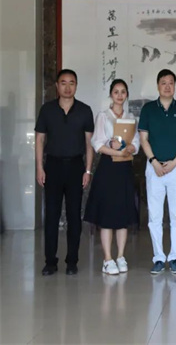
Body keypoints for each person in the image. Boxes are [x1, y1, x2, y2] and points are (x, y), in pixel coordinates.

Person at [35, 69, 94, 276]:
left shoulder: (84, 110)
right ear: (57, 86)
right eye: (63, 83)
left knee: (74, 216)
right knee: (51, 215)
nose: (67, 87)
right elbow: (40, 139)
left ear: (76, 85)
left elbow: (89, 143)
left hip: (76, 166)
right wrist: (39, 167)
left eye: (72, 83)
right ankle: (50, 262)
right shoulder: (47, 110)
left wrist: (88, 170)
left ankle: (72, 261)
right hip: (52, 166)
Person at [84, 79, 140, 275]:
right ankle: (108, 258)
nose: (119, 95)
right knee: (107, 215)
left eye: (123, 92)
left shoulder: (131, 117)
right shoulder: (103, 116)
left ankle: (121, 256)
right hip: (108, 168)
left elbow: (136, 143)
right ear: (111, 94)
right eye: (116, 92)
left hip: (125, 168)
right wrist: (114, 149)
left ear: (126, 95)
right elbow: (97, 143)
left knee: (123, 215)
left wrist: (129, 148)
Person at [139, 69, 176, 275]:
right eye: (163, 82)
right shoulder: (148, 109)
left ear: (175, 86)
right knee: (155, 216)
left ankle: (175, 257)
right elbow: (143, 139)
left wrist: (175, 162)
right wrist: (154, 161)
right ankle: (159, 258)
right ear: (158, 85)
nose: (167, 86)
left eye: (171, 83)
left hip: (175, 168)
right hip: (154, 169)